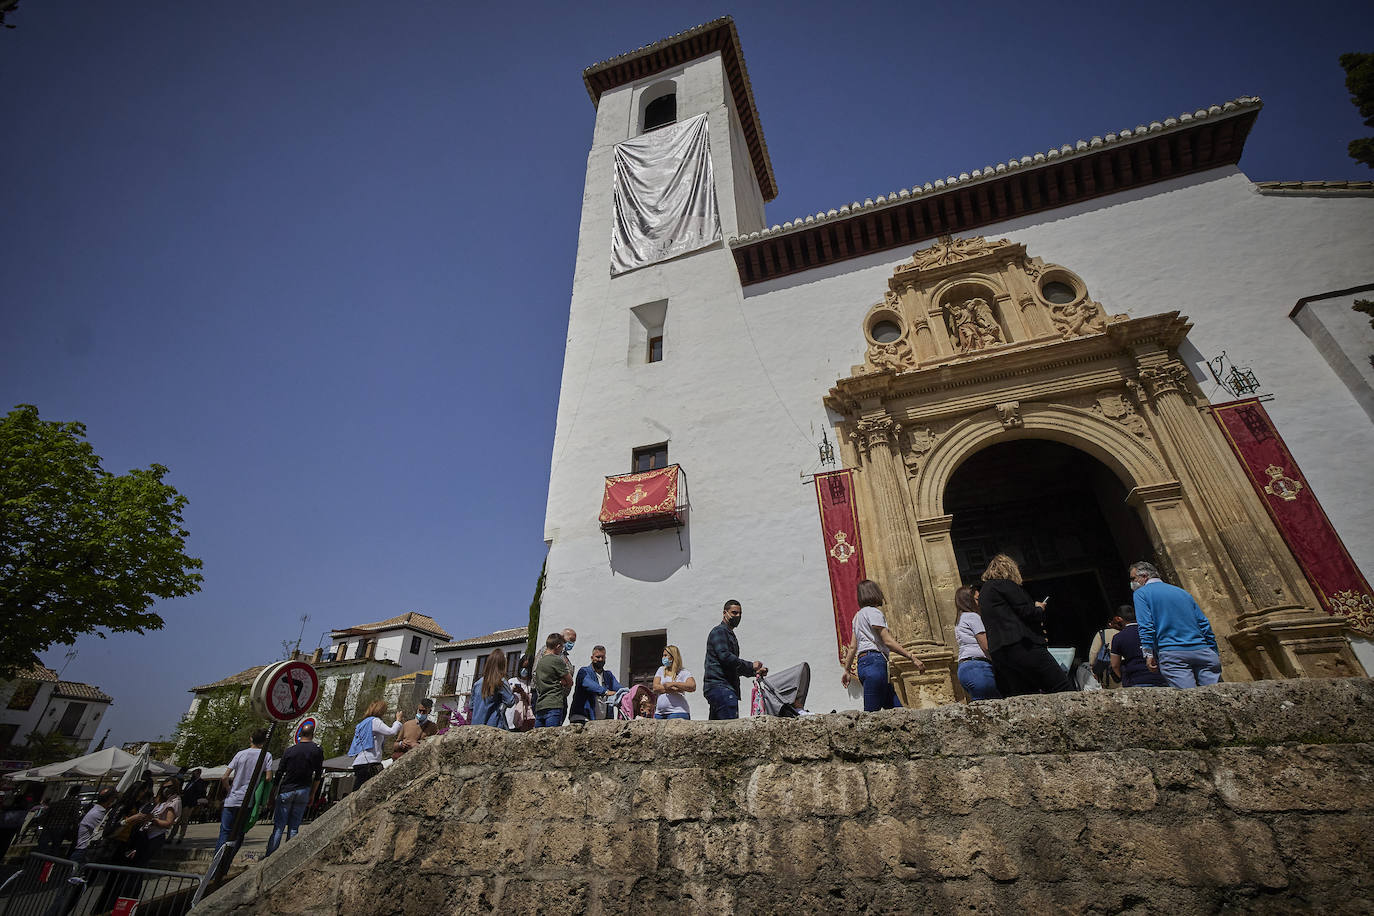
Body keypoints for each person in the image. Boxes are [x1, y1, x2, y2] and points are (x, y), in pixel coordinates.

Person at [979, 554, 1075, 696]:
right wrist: (1039, 608)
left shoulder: (984, 592)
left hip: (1000, 652)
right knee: (1061, 687)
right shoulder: (1005, 585)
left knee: (1026, 695)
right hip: (1023, 645)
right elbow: (1027, 612)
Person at [1130, 561, 1222, 688]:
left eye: (1133, 578)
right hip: (1203, 651)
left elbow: (1146, 625)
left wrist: (1148, 653)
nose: (1132, 583)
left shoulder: (1141, 593)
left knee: (1189, 700)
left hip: (1172, 653)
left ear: (1144, 576)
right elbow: (1204, 624)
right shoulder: (1182, 592)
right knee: (1217, 698)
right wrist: (1213, 651)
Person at [839, 579, 925, 711]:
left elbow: (852, 647)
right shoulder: (874, 612)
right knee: (871, 714)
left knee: (897, 711)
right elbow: (888, 641)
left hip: (863, 663)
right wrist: (911, 657)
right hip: (875, 663)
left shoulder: (857, 617)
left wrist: (847, 669)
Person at [266, 720, 323, 856]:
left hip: (287, 789)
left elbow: (279, 773)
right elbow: (318, 774)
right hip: (304, 789)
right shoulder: (317, 750)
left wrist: (272, 793)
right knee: (294, 827)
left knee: (279, 827)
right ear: (312, 735)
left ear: (300, 734)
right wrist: (313, 794)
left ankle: (269, 857)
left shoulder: (290, 750)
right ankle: (288, 856)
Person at [703, 599, 767, 720]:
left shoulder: (728, 634)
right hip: (721, 687)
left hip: (722, 688)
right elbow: (725, 657)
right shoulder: (719, 631)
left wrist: (754, 672)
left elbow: (732, 666)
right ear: (724, 613)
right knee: (728, 728)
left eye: (740, 613)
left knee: (717, 732)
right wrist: (751, 665)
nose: (737, 616)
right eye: (734, 613)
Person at [217, 728, 274, 853]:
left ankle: (216, 866)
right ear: (264, 741)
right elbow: (269, 777)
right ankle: (227, 864)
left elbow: (224, 777)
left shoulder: (240, 754)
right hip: (248, 800)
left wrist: (228, 789)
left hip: (232, 799)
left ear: (251, 739)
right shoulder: (266, 755)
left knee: (224, 833)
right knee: (239, 833)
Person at [953, 585, 1001, 701]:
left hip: (965, 668)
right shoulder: (973, 617)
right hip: (979, 668)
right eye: (977, 599)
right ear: (969, 601)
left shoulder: (960, 619)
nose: (980, 602)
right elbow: (986, 646)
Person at [1109, 604, 1169, 687]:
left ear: (1119, 619)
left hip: (1135, 679)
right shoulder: (1152, 631)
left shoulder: (1118, 637)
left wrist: (1122, 678)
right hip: (1160, 676)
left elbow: (1115, 665)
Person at [348, 701, 403, 789]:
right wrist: (398, 721)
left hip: (359, 761)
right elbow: (391, 732)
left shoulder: (362, 724)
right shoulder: (374, 721)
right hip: (370, 761)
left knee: (358, 787)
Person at [570, 645, 624, 722]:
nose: (600, 659)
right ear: (592, 658)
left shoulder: (608, 675)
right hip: (583, 717)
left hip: (603, 720)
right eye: (598, 657)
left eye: (603, 657)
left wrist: (629, 693)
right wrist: (605, 692)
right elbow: (589, 684)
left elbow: (618, 688)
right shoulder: (584, 672)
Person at [533, 633, 574, 727]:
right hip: (554, 703)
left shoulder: (540, 662)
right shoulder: (557, 660)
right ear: (558, 646)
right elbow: (570, 681)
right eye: (562, 647)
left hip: (540, 704)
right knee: (552, 738)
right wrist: (562, 682)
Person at [472, 649, 518, 729]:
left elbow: (471, 706)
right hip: (493, 726)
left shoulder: (477, 683)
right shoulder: (501, 682)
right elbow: (510, 702)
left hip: (476, 727)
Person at [72, 787, 118, 864]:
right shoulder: (98, 813)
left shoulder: (97, 811)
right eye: (115, 798)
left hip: (84, 851)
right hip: (84, 852)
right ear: (110, 799)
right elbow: (104, 831)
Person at [653, 645, 697, 720]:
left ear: (673, 656)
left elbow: (692, 686)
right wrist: (676, 689)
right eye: (663, 655)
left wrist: (673, 684)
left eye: (665, 655)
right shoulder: (661, 670)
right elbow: (655, 688)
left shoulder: (683, 672)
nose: (663, 657)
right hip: (659, 713)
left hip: (678, 712)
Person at [35, 786, 83, 854]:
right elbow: (74, 817)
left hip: (49, 826)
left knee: (42, 845)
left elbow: (46, 815)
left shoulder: (58, 802)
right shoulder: (75, 802)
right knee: (55, 846)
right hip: (61, 827)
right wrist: (75, 828)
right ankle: (49, 861)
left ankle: (38, 859)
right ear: (77, 793)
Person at [171, 768, 208, 843]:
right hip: (183, 801)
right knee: (177, 820)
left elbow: (201, 793)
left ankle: (180, 837)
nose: (193, 774)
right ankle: (171, 836)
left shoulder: (200, 782)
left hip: (190, 803)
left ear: (198, 773)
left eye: (194, 773)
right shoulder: (190, 781)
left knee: (184, 820)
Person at [1088, 619, 1122, 688]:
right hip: (1126, 674)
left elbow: (1093, 655)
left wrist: (1093, 670)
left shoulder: (1102, 634)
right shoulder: (1126, 633)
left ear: (1110, 624)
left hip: (1108, 675)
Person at [506, 653, 535, 731]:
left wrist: (522, 693)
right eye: (522, 667)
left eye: (527, 668)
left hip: (524, 722)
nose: (524, 670)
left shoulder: (532, 685)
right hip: (510, 720)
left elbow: (532, 702)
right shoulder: (511, 681)